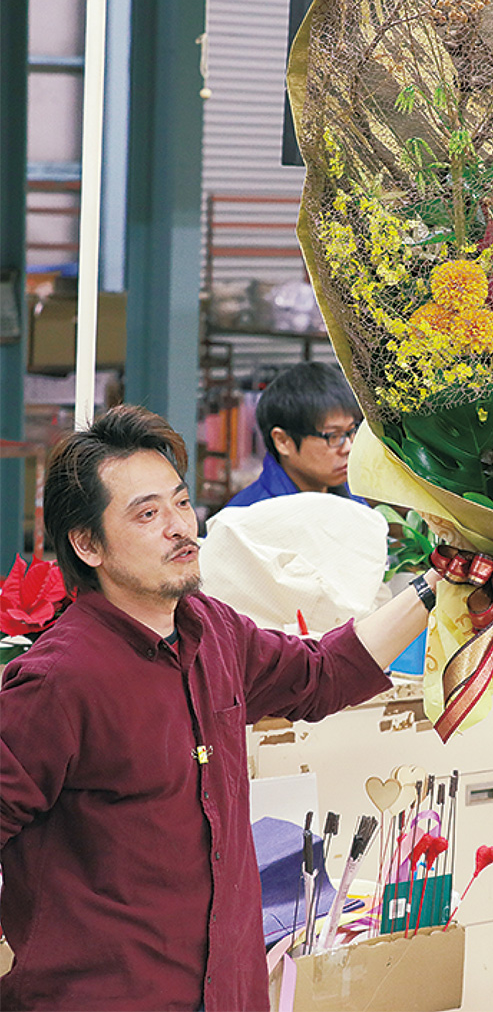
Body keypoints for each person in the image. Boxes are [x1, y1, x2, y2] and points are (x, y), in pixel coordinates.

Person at [0, 405, 442, 1011]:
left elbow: (320, 674)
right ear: (87, 544)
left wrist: (436, 586)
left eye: (181, 504)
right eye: (148, 514)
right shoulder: (59, 680)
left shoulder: (213, 629)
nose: (180, 527)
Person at [226, 361, 364, 507]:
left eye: (351, 431)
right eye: (334, 436)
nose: (348, 447)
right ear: (283, 441)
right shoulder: (250, 518)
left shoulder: (353, 500)